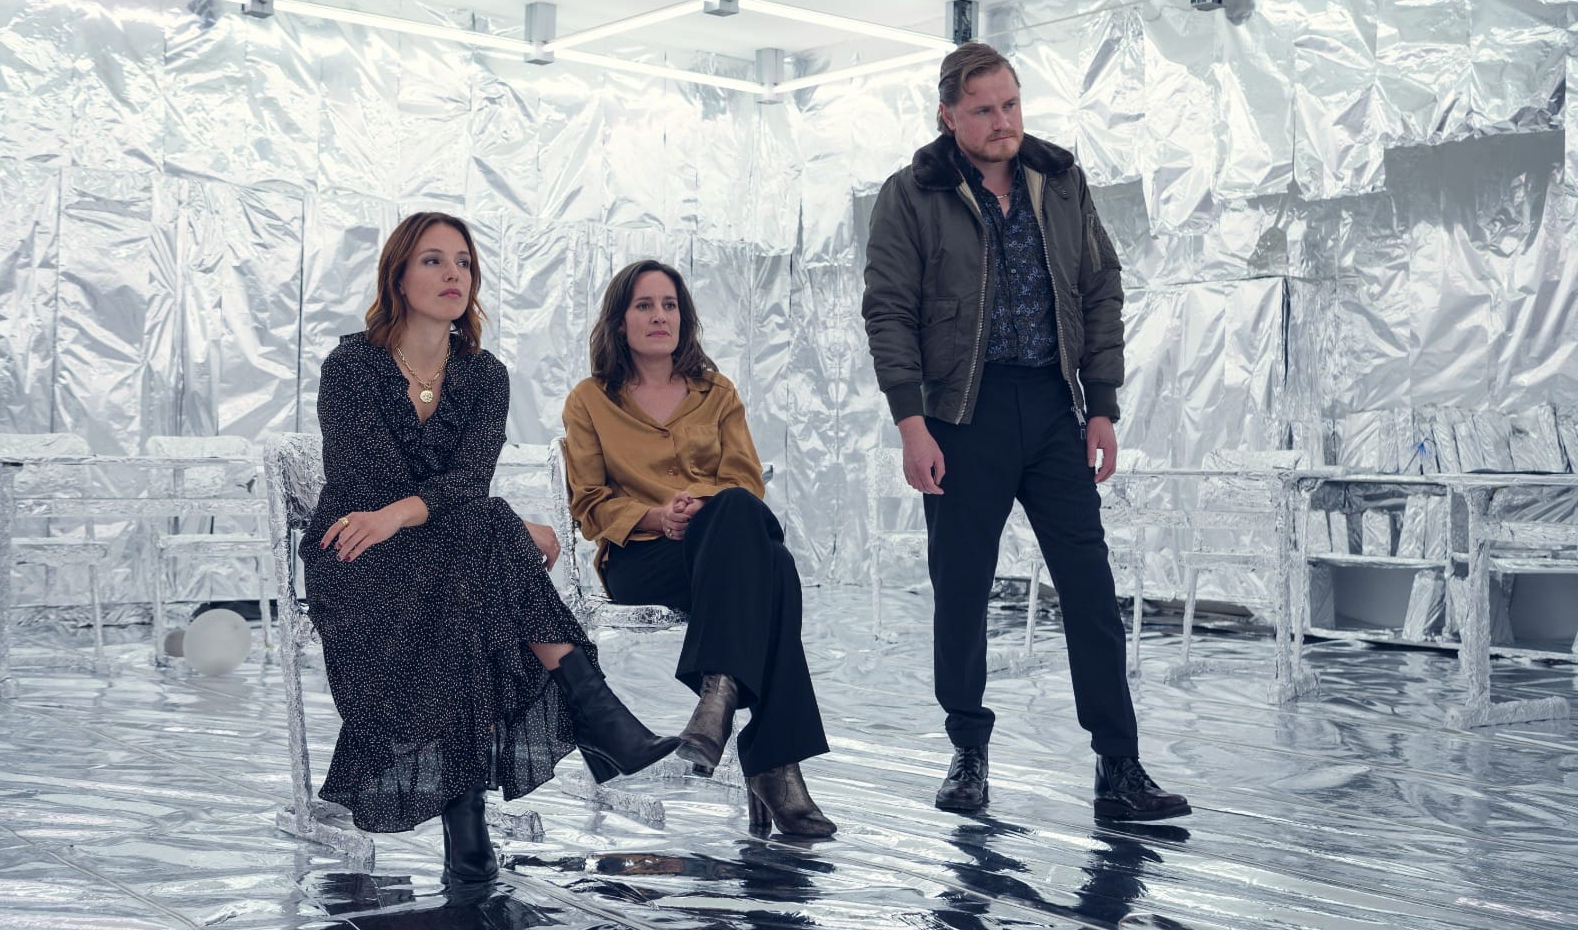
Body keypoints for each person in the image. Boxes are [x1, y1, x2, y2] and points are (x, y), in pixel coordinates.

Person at [861, 43, 1189, 821]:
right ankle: (968, 755)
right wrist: (911, 423)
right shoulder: (911, 194)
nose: (1002, 121)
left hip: (1050, 408)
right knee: (963, 591)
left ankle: (1119, 766)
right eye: (983, 110)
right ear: (948, 116)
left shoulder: (1060, 179)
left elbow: (1100, 287)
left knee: (1091, 588)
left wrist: (1100, 404)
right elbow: (888, 310)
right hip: (960, 415)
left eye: (1010, 104)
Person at [300, 212, 678, 882]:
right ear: (398, 276)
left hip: (447, 558)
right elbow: (370, 484)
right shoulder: (351, 366)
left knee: (469, 576)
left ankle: (470, 817)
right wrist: (510, 532)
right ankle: (591, 716)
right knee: (486, 538)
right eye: (433, 260)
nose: (454, 274)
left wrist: (437, 516)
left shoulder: (484, 375)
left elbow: (469, 480)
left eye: (464, 263)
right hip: (359, 557)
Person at [561, 259, 835, 838]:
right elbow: (589, 504)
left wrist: (702, 508)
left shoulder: (717, 392)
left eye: (670, 305)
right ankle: (773, 764)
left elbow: (747, 482)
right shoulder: (590, 400)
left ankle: (719, 697)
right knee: (776, 569)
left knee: (739, 515)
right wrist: (659, 517)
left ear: (683, 318)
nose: (659, 316)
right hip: (643, 558)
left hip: (722, 547)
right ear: (620, 321)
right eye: (644, 305)